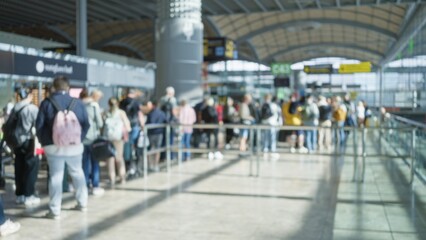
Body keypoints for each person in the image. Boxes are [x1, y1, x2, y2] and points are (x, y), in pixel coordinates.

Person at [36, 76, 90, 219]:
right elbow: (86, 124)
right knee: (78, 173)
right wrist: (78, 138)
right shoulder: (77, 103)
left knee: (56, 177)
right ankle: (82, 203)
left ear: (53, 87)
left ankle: (55, 211)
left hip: (54, 147)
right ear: (68, 87)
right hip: (75, 146)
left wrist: (46, 143)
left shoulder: (46, 103)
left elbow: (39, 126)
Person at [8, 87, 40, 206]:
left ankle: (20, 194)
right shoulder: (32, 108)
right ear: (29, 96)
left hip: (16, 141)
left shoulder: (15, 108)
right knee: (31, 167)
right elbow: (38, 124)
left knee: (19, 166)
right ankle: (29, 194)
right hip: (28, 140)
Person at [80, 89, 104, 196]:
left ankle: (85, 184)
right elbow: (100, 123)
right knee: (95, 162)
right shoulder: (94, 106)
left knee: (84, 162)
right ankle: (95, 185)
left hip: (82, 138)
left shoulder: (80, 105)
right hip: (93, 138)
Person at [104, 98, 131, 186]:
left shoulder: (106, 112)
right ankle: (122, 178)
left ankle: (112, 178)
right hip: (118, 138)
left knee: (110, 158)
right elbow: (128, 126)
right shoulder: (121, 113)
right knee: (119, 158)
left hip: (108, 138)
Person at [119, 89, 144, 177]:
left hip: (124, 127)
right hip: (134, 126)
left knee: (127, 146)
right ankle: (135, 166)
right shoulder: (136, 102)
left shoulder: (122, 102)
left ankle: (128, 166)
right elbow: (139, 114)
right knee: (135, 145)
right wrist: (142, 125)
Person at [145, 100, 167, 171]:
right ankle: (156, 164)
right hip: (159, 133)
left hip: (151, 133)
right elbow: (166, 121)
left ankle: (150, 164)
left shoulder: (150, 114)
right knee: (157, 149)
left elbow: (147, 123)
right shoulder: (162, 113)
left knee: (150, 149)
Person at [159, 87, 178, 161]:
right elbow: (174, 111)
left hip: (163, 122)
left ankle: (163, 156)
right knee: (170, 140)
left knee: (163, 140)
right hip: (170, 123)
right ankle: (171, 156)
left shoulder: (162, 99)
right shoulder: (173, 100)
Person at [260, 94, 280, 159]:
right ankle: (272, 151)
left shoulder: (262, 105)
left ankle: (265, 151)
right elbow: (277, 115)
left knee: (265, 138)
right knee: (272, 138)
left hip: (264, 123)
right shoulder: (274, 105)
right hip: (272, 123)